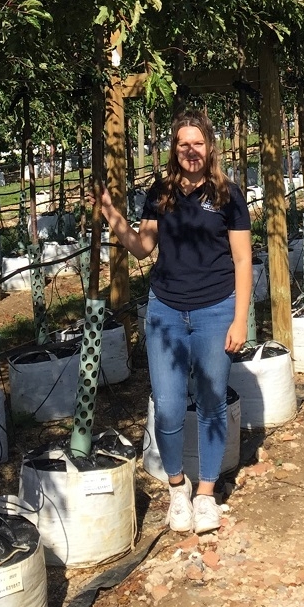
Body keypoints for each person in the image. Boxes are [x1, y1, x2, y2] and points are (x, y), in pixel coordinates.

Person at [96, 112, 252, 535]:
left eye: (197, 143)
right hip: (166, 312)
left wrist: (240, 319)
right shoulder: (160, 195)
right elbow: (144, 247)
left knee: (211, 403)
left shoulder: (229, 196)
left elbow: (242, 261)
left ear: (210, 147)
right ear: (174, 151)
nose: (190, 151)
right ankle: (177, 488)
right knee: (166, 408)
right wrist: (112, 214)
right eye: (183, 144)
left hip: (215, 311)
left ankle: (205, 494)